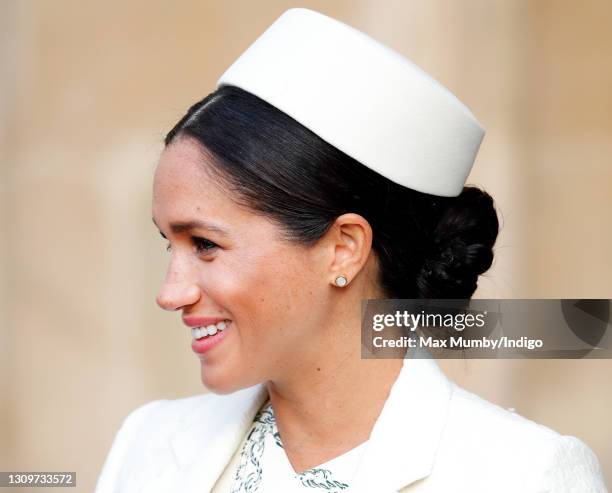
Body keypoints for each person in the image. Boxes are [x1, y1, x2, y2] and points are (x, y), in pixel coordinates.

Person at [94, 8, 608, 493]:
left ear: (343, 248)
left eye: (205, 244)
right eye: (170, 243)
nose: (170, 293)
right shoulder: (147, 445)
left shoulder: (522, 474)